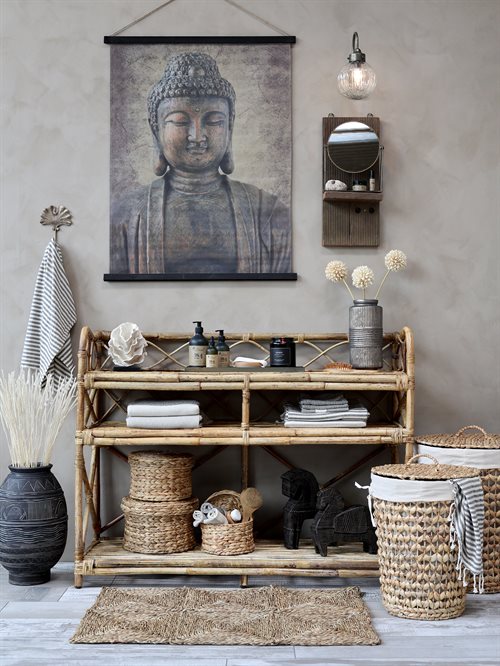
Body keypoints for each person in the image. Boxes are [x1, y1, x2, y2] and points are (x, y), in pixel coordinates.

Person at [110, 52, 292, 274]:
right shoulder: (126, 215)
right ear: (156, 129)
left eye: (214, 121)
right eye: (180, 121)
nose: (197, 136)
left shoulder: (269, 212)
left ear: (230, 127)